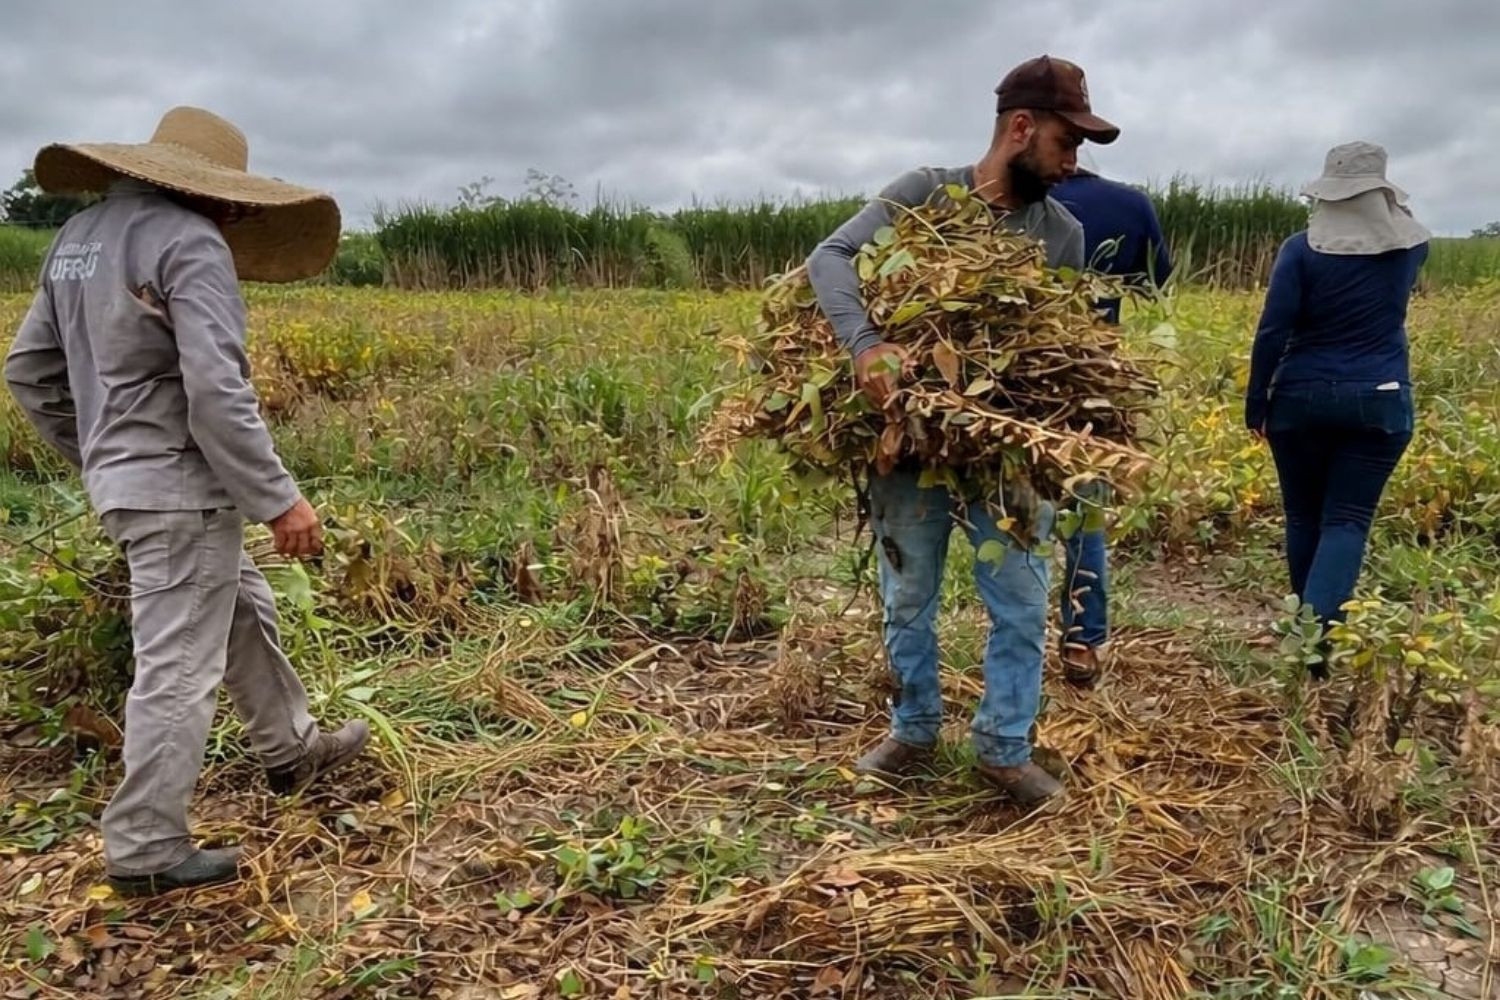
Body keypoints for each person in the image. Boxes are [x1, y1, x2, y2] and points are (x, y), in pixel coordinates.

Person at [5, 107, 370, 897]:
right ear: (215, 194)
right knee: (178, 665)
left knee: (242, 607)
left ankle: (291, 748)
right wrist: (279, 500)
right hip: (179, 489)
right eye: (234, 205)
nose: (234, 218)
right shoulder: (190, 241)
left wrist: (103, 453)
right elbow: (217, 392)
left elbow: (29, 373)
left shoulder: (75, 241)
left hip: (137, 486)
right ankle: (145, 846)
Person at [807, 56, 1119, 805]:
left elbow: (1062, 350)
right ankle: (913, 730)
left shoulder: (1062, 235)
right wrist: (866, 344)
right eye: (1066, 143)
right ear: (1021, 128)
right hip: (908, 442)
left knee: (1017, 598)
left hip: (1007, 453)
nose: (1073, 163)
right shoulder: (923, 198)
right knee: (907, 592)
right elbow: (831, 257)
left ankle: (1003, 748)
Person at [1245, 141, 1429, 677]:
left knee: (1304, 516)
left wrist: (1257, 401)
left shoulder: (1298, 250)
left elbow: (1273, 329)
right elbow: (1408, 226)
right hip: (1379, 398)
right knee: (1347, 519)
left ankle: (1309, 646)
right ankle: (1314, 645)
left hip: (1298, 399)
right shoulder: (1411, 251)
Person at [1049, 168, 1173, 685]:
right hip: (1094, 378)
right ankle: (1082, 644)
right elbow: (1156, 279)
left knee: (1012, 515)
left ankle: (1015, 643)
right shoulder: (1130, 203)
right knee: (1084, 513)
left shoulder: (1011, 195)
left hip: (1008, 380)